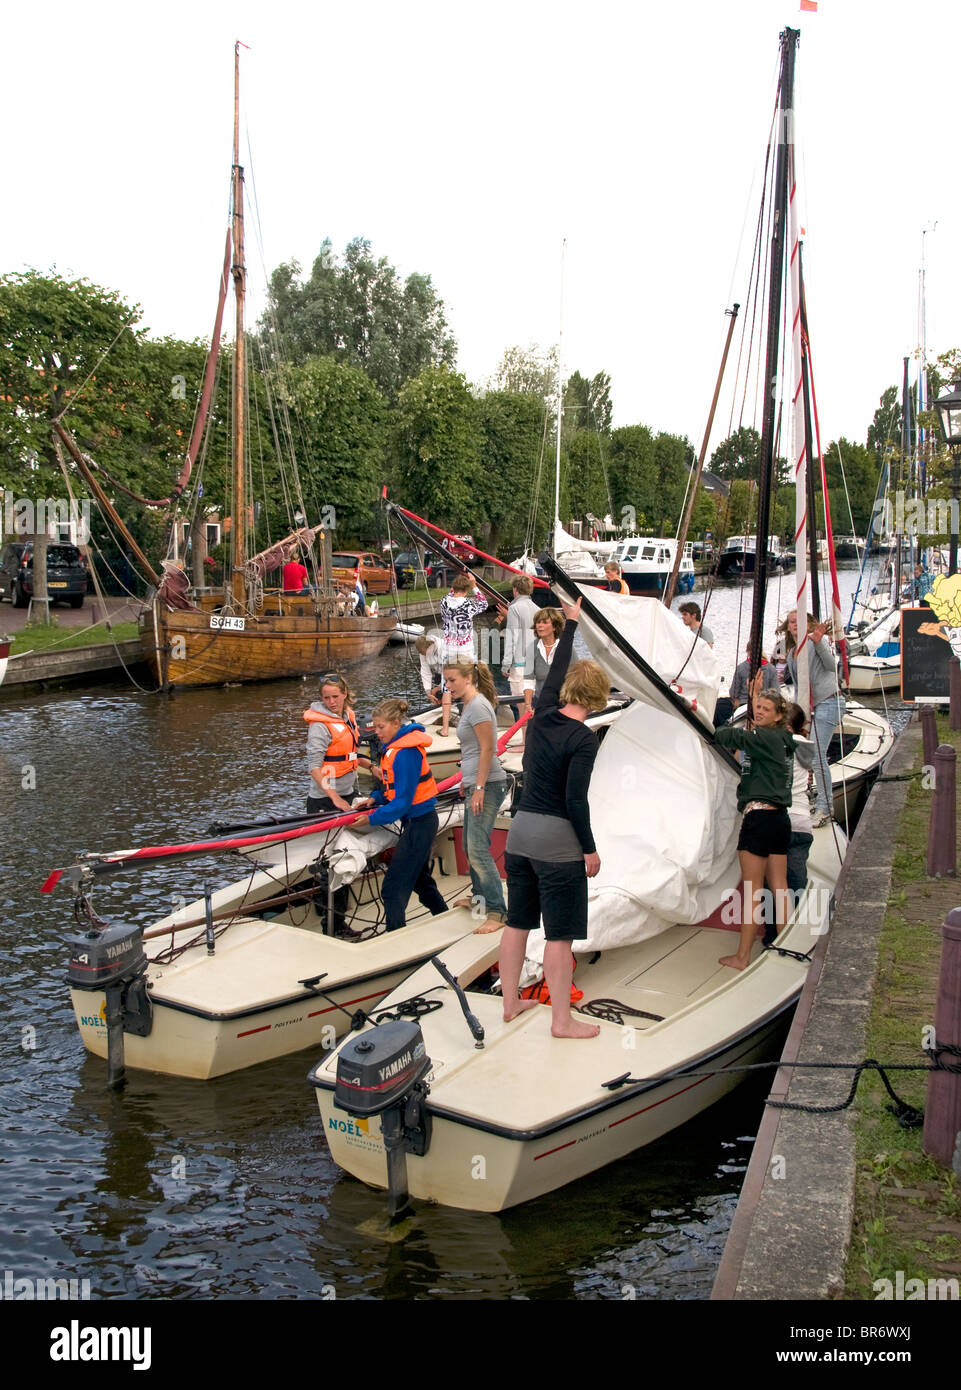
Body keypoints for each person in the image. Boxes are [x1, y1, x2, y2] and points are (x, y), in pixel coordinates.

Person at [499, 597, 611, 1038]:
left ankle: (511, 1003)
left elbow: (559, 663)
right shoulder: (584, 739)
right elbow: (575, 801)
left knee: (517, 923)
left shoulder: (541, 715)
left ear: (565, 690)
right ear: (599, 698)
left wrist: (571, 623)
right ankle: (561, 1020)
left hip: (520, 834)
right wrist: (590, 849)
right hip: (557, 843)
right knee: (558, 936)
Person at [714, 687, 797, 970]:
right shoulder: (786, 740)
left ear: (777, 716)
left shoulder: (764, 737)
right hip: (780, 820)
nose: (759, 711)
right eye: (757, 707)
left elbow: (727, 736)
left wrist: (724, 726)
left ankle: (742, 957)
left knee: (753, 891)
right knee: (780, 888)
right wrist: (754, 698)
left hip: (759, 818)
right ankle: (785, 948)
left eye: (765, 709)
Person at [351, 698, 448, 932]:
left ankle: (395, 936)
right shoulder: (396, 748)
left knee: (392, 888)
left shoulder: (405, 753)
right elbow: (393, 788)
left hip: (420, 823)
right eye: (374, 727)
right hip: (416, 823)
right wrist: (376, 797)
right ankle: (444, 917)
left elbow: (403, 802)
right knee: (419, 880)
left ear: (396, 723)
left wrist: (371, 818)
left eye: (381, 727)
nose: (377, 732)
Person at [443, 657, 509, 932]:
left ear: (468, 678)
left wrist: (479, 787)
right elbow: (470, 750)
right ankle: (480, 900)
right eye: (446, 681)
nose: (448, 686)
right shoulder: (470, 705)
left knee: (478, 849)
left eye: (452, 680)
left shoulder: (479, 707)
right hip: (475, 783)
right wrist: (468, 782)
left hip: (489, 784)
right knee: (470, 848)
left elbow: (487, 749)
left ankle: (497, 912)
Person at [779, 609, 844, 828]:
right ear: (788, 627)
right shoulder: (791, 654)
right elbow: (798, 686)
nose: (795, 624)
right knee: (805, 754)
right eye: (792, 621)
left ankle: (826, 808)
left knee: (816, 756)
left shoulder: (815, 643)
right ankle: (814, 798)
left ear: (808, 624)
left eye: (799, 621)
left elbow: (830, 666)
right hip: (811, 708)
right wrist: (797, 715)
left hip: (829, 702)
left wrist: (819, 643)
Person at [303, 674, 374, 815]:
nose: (331, 702)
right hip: (324, 800)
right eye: (326, 698)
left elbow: (350, 755)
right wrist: (335, 798)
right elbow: (314, 768)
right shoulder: (319, 726)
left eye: (335, 697)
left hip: (348, 792)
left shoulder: (348, 717)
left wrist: (372, 768)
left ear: (344, 693)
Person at [439, 573, 490, 737]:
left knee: (446, 686)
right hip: (465, 649)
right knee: (468, 685)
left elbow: (450, 593)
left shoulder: (444, 602)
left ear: (453, 588)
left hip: (448, 649)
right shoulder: (468, 604)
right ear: (466, 590)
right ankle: (467, 727)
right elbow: (484, 603)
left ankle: (445, 728)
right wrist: (475, 585)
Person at [786, 702, 815, 914]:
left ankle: (774, 931)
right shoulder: (806, 746)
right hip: (802, 820)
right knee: (796, 878)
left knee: (775, 882)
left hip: (781, 817)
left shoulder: (781, 743)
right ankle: (797, 922)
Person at [501, 574, 539, 711]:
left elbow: (512, 637)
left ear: (515, 589)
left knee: (522, 707)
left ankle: (525, 733)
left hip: (519, 664)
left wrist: (506, 664)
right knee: (532, 705)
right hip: (534, 663)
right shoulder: (537, 609)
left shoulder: (514, 608)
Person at [523, 607, 564, 715]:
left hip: (564, 704)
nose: (539, 625)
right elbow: (528, 680)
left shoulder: (565, 648)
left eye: (545, 622)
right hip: (540, 703)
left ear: (555, 627)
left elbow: (576, 676)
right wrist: (528, 704)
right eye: (538, 622)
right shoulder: (531, 649)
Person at [414, 631, 445, 699]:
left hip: (455, 672)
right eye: (424, 654)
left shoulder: (444, 646)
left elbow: (451, 671)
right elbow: (425, 671)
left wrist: (439, 687)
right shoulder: (423, 652)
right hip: (439, 673)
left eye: (428, 654)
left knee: (449, 695)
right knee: (437, 696)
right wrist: (428, 691)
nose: (426, 656)